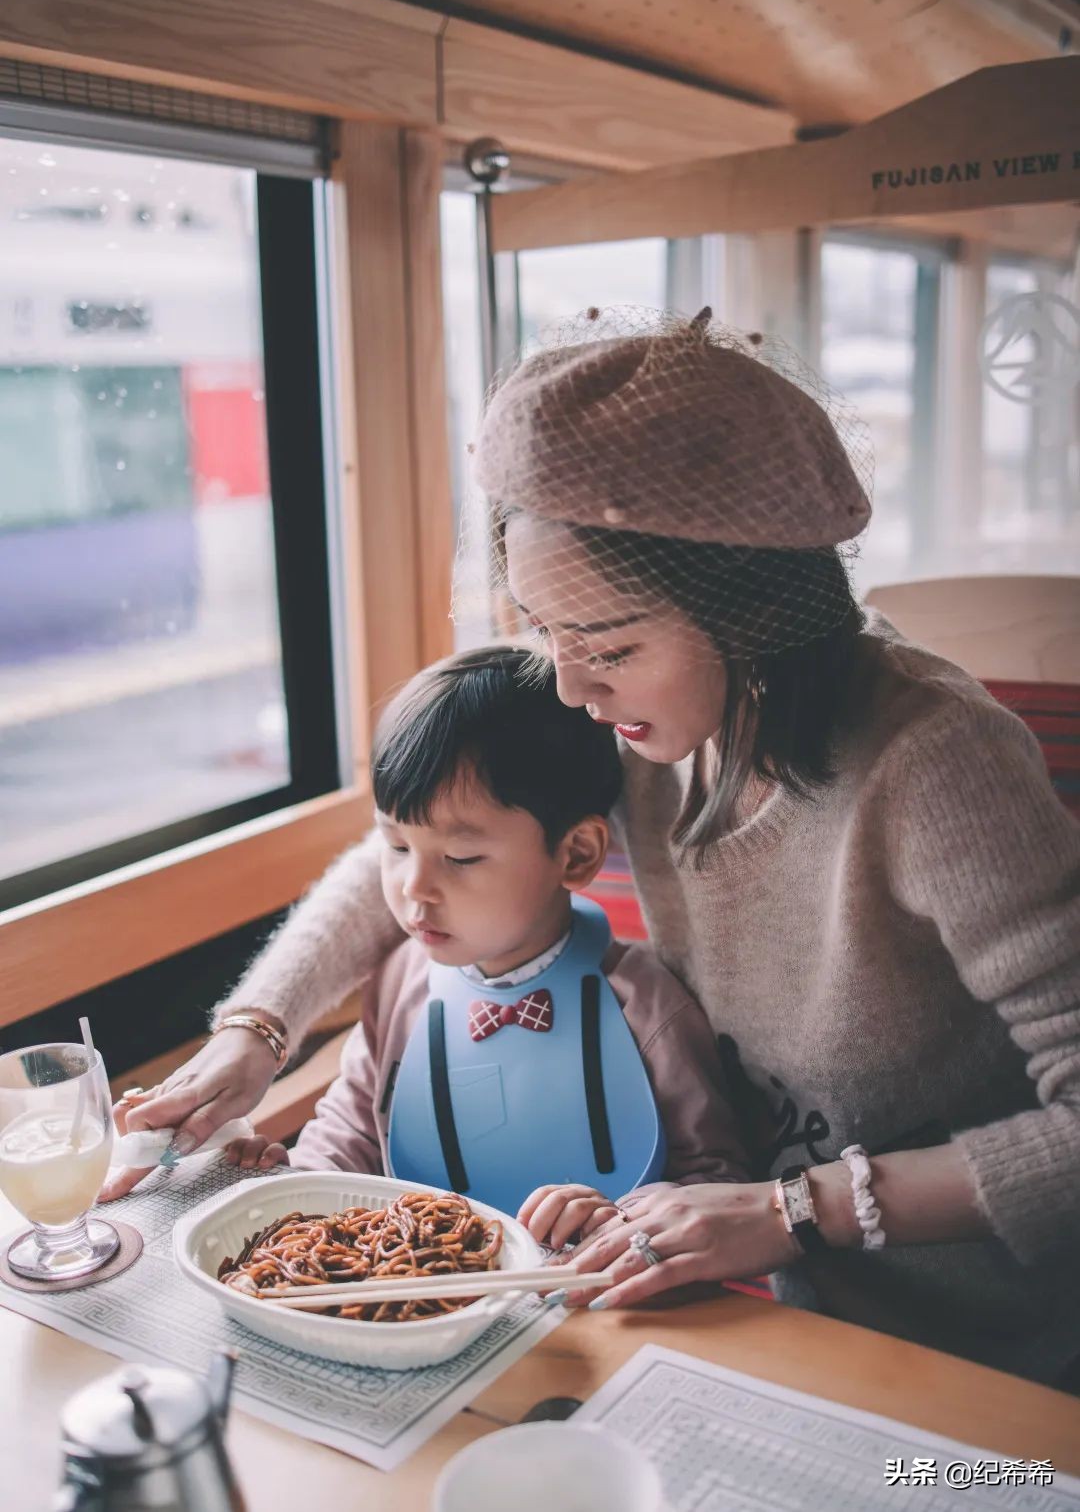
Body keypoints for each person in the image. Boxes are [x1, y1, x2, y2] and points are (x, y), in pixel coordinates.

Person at [108, 309, 1080, 1387]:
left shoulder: (936, 764)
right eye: (544, 631)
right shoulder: (648, 717)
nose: (570, 687)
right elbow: (417, 850)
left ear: (755, 613)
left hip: (1000, 1335)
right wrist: (256, 1034)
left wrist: (790, 1208)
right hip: (785, 1308)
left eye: (607, 645)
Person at [162, 645, 746, 1243]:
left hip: (602, 1297)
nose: (414, 887)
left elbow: (715, 1179)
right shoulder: (400, 983)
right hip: (423, 1286)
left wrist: (625, 1218)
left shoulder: (642, 1003)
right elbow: (355, 1128)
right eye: (395, 846)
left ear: (576, 853)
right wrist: (297, 1180)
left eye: (461, 857)